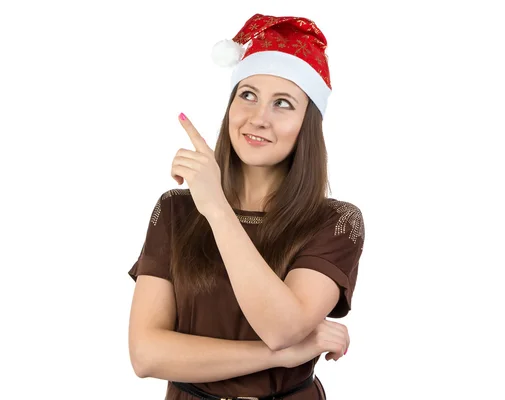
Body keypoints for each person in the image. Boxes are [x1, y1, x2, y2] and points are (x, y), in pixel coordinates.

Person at [127, 13, 366, 400]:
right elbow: (146, 355)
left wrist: (217, 209)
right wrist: (280, 357)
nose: (258, 118)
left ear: (308, 124)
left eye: (283, 103)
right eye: (248, 95)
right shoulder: (176, 211)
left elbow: (281, 328)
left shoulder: (336, 221)